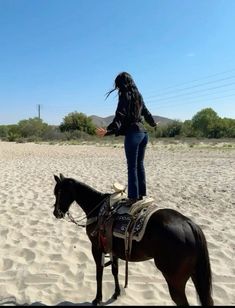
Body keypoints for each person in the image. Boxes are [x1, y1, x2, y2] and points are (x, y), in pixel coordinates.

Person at [96, 72, 158, 206]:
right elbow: (146, 112)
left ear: (121, 85)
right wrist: (153, 124)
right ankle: (141, 195)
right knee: (139, 165)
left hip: (133, 135)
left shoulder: (125, 96)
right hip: (143, 134)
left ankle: (133, 198)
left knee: (132, 167)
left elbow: (120, 116)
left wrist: (108, 131)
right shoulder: (138, 96)